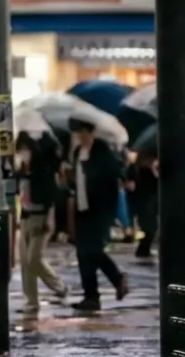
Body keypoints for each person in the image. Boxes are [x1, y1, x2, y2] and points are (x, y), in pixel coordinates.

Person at [64, 116, 132, 312]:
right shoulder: (77, 152)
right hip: (82, 208)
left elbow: (114, 172)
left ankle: (116, 279)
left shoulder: (102, 150)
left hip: (100, 209)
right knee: (83, 253)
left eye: (83, 133)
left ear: (90, 132)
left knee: (92, 250)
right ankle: (91, 295)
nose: (80, 137)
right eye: (78, 134)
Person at [15, 133, 72, 318]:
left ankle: (59, 286)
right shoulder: (21, 171)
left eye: (25, 150)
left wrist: (50, 219)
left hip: (40, 218)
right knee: (25, 262)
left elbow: (52, 197)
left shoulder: (43, 171)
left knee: (33, 258)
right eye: (20, 150)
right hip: (24, 217)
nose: (23, 154)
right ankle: (31, 302)